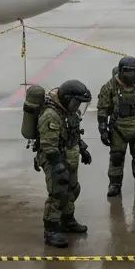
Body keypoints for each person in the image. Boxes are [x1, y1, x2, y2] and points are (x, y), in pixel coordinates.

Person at [36, 79, 92, 248]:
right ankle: (51, 230)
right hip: (54, 158)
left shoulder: (69, 111)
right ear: (68, 99)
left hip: (69, 154)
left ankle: (68, 220)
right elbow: (48, 144)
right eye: (77, 102)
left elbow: (73, 132)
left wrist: (82, 149)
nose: (78, 107)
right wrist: (57, 166)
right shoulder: (51, 115)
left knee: (73, 189)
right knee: (58, 194)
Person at [97, 56, 135, 198]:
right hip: (118, 127)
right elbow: (102, 109)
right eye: (132, 72)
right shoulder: (110, 86)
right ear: (124, 72)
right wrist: (103, 129)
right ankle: (115, 184)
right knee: (117, 156)